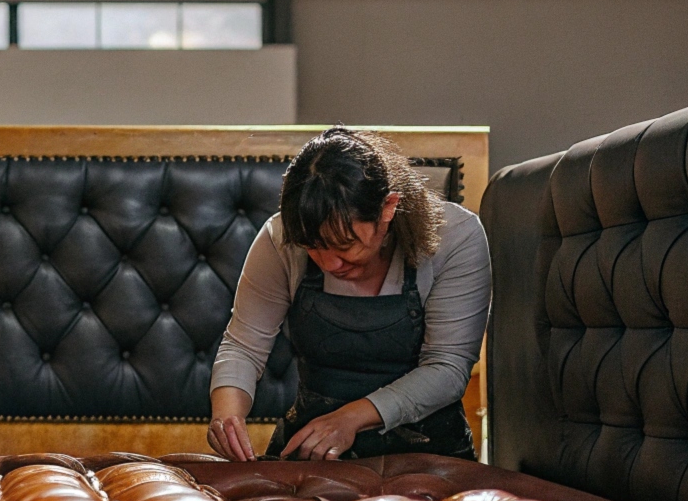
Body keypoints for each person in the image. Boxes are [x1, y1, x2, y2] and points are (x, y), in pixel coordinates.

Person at [207, 126, 490, 462]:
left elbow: (447, 368)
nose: (329, 263)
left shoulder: (455, 237)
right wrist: (227, 415)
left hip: (429, 453)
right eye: (312, 247)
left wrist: (350, 419)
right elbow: (243, 346)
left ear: (388, 208)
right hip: (314, 448)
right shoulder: (279, 236)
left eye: (345, 245)